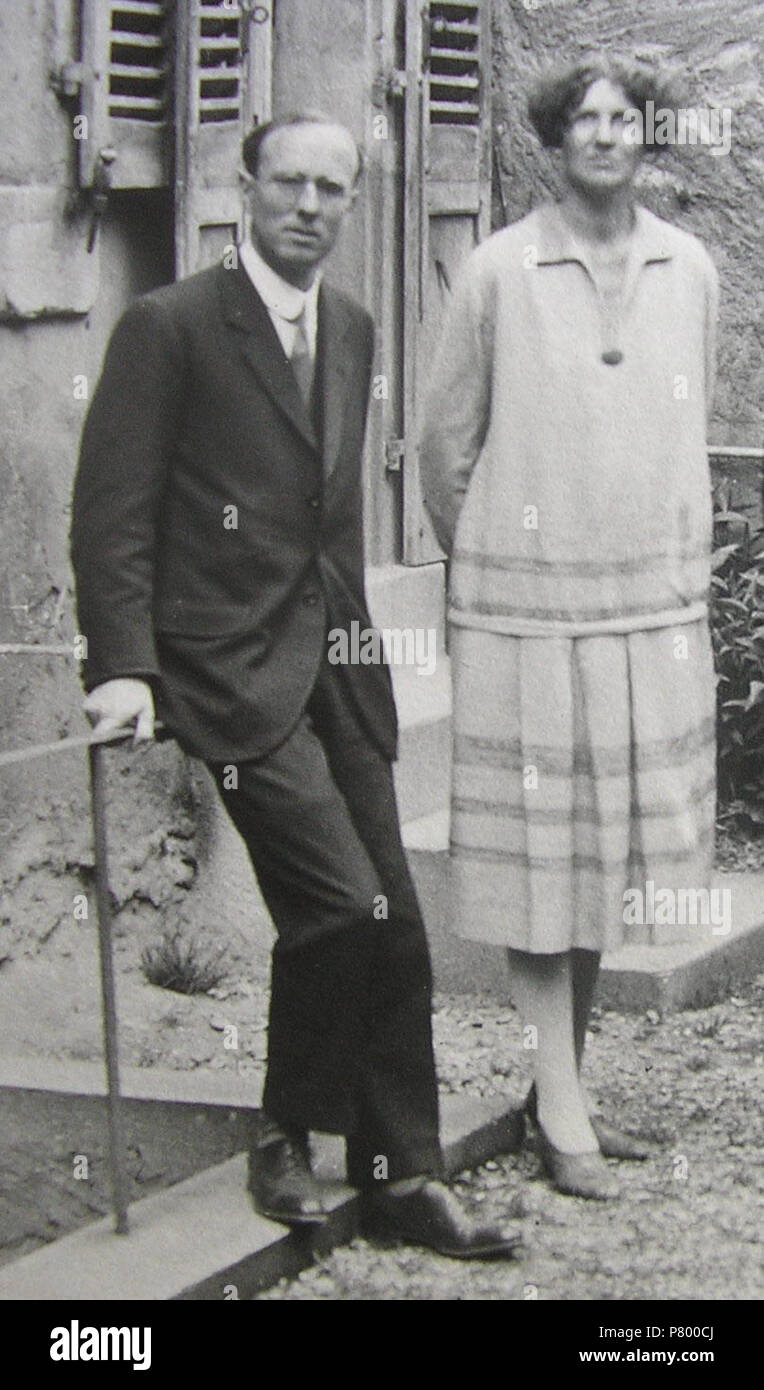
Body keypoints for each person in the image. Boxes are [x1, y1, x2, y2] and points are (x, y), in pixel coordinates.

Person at [70, 112, 522, 1258]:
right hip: (223, 673)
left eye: (332, 187)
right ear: (244, 186)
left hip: (339, 666)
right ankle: (285, 1124)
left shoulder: (356, 326)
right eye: (289, 183)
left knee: (398, 923)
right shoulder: (168, 327)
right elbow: (112, 513)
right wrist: (125, 665)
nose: (310, 206)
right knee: (338, 904)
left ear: (351, 199)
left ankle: (397, 1172)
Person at [420, 59, 719, 1199]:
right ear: (554, 139)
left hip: (646, 606)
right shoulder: (498, 268)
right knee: (539, 860)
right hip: (526, 613)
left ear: (646, 136)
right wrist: (508, 554)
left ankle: (566, 1088)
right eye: (582, 118)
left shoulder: (685, 266)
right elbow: (446, 448)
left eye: (623, 117)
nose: (603, 133)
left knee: (602, 854)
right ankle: (558, 1105)